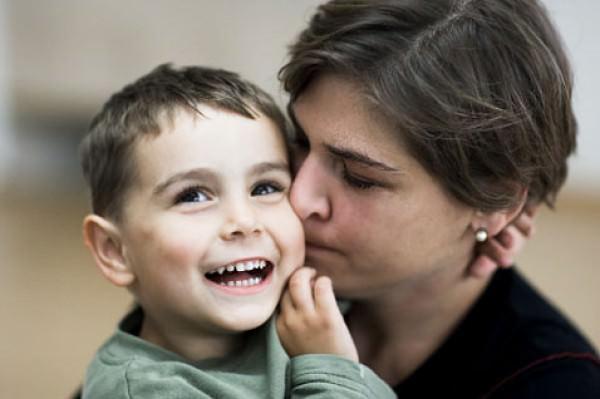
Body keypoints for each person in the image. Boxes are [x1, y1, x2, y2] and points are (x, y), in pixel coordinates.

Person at [276, 0, 600, 397]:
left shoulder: (551, 385)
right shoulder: (256, 279)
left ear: (497, 204)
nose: (297, 197)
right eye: (300, 141)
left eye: (360, 179)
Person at [78, 64, 396, 398]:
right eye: (193, 196)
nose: (244, 222)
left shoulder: (305, 310)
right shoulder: (146, 391)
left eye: (264, 188)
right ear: (115, 250)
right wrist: (329, 369)